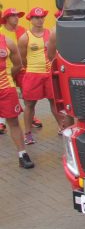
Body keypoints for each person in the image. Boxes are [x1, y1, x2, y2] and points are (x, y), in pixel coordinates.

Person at [18, 7, 64, 144]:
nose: (39, 20)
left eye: (42, 17)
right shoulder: (25, 37)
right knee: (30, 105)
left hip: (49, 74)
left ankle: (62, 127)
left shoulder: (50, 34)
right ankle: (27, 133)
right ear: (30, 20)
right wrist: (32, 68)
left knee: (54, 102)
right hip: (33, 74)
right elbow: (22, 59)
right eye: (36, 18)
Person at [0, 7, 42, 134]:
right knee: (4, 95)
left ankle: (31, 117)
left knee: (27, 95)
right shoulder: (2, 33)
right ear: (6, 18)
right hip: (6, 70)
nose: (16, 18)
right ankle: (2, 123)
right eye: (13, 16)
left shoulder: (23, 31)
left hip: (22, 68)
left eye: (17, 15)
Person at [0, 30, 34, 168]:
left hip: (6, 89)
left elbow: (18, 65)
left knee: (13, 122)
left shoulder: (7, 42)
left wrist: (6, 76)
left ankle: (22, 155)